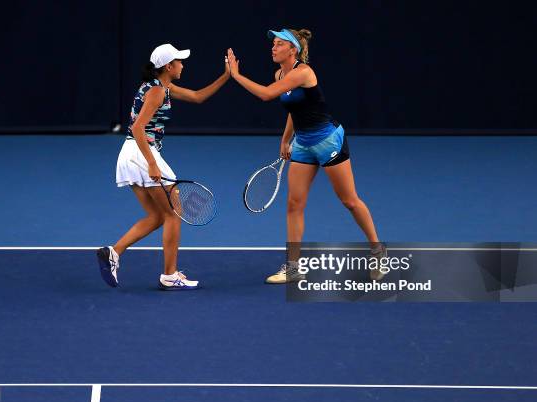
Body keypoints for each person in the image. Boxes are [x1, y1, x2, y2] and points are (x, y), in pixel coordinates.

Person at [226, 29, 386, 283]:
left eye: (279, 44)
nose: (273, 48)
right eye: (273, 44)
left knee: (349, 200)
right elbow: (293, 108)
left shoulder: (303, 72)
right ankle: (293, 266)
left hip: (327, 141)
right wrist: (286, 138)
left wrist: (235, 75)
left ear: (293, 50)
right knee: (294, 204)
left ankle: (378, 251)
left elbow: (267, 94)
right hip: (302, 143)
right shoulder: (280, 73)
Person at [97, 43, 230, 290]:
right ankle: (170, 275)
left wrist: (226, 75)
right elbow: (138, 128)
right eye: (179, 61)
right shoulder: (157, 92)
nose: (183, 64)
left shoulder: (162, 88)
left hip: (131, 153)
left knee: (158, 216)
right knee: (174, 213)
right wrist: (151, 164)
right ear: (169, 66)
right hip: (142, 153)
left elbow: (198, 97)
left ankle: (113, 253)